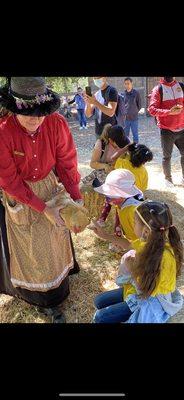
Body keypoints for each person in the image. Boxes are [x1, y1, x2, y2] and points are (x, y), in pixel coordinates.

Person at [0, 77, 83, 323]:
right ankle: (39, 299)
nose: (35, 120)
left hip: (49, 186)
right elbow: (9, 181)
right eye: (28, 114)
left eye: (40, 114)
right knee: (32, 245)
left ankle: (58, 288)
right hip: (20, 194)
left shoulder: (56, 123)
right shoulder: (3, 132)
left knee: (55, 235)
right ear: (15, 108)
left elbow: (67, 162)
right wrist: (40, 207)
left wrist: (76, 198)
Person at [90, 201, 183, 323]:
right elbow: (128, 244)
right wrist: (104, 235)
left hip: (152, 301)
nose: (133, 224)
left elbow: (146, 290)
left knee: (100, 317)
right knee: (99, 301)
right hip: (140, 289)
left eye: (134, 222)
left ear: (146, 231)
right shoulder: (150, 241)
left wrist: (132, 269)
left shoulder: (164, 258)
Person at [148, 77, 184, 187]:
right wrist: (169, 112)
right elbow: (152, 109)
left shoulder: (181, 86)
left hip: (182, 128)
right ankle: (168, 179)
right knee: (167, 156)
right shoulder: (158, 89)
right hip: (167, 130)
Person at [123, 77, 142, 143]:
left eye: (128, 83)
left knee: (135, 135)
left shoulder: (136, 93)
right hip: (126, 119)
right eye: (125, 84)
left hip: (134, 118)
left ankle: (136, 149)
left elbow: (139, 105)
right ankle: (126, 148)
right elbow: (123, 106)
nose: (127, 85)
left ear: (131, 84)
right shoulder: (123, 94)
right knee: (125, 135)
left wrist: (134, 112)